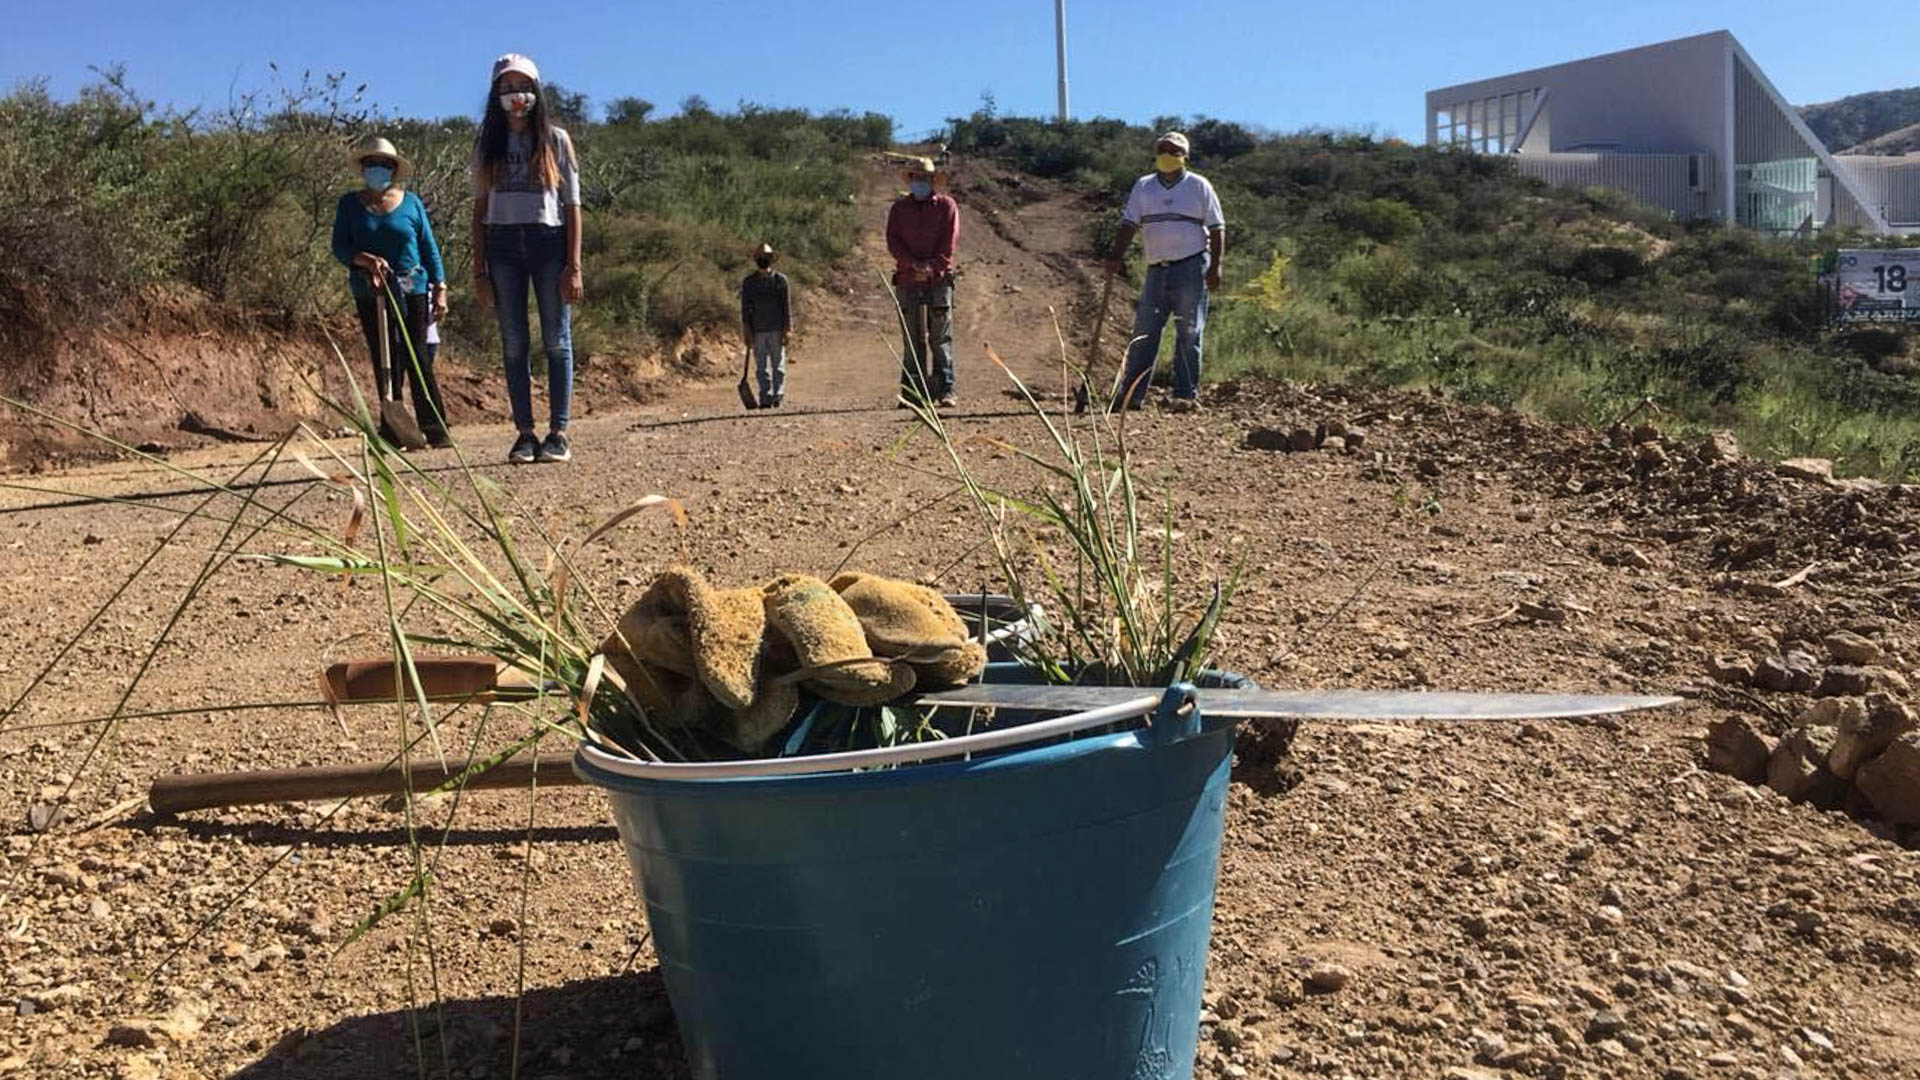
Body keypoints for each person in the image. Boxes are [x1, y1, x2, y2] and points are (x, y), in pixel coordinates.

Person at [470, 53, 584, 464]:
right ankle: (524, 433)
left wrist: (574, 266)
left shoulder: (556, 140)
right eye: (506, 87)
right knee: (515, 342)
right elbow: (479, 209)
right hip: (502, 245)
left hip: (548, 243)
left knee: (557, 340)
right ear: (495, 93)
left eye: (522, 86)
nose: (515, 95)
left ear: (535, 91)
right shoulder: (486, 144)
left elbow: (571, 206)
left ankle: (558, 432)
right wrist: (479, 269)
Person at [330, 135, 452, 447]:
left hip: (413, 288)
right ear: (362, 168)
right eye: (372, 164)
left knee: (418, 355)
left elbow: (429, 248)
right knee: (385, 358)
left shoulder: (411, 203)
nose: (378, 169)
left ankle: (435, 428)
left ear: (394, 169)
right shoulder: (349, 205)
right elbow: (340, 247)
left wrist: (439, 288)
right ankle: (393, 429)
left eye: (384, 164)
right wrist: (365, 261)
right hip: (370, 291)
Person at [1104, 131, 1226, 413]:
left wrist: (1216, 266)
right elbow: (1128, 223)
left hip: (1191, 267)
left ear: (1185, 157)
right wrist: (1114, 256)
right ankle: (1131, 395)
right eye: (1162, 150)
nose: (1166, 156)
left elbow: (1218, 228)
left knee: (1189, 330)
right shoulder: (1144, 186)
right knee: (1144, 331)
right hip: (1156, 269)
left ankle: (1184, 394)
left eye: (1172, 151)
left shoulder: (1198, 186)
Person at [885, 157, 960, 407]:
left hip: (938, 280)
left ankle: (945, 389)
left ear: (932, 181)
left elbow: (949, 243)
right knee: (911, 338)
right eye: (916, 178)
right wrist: (911, 264)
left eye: (924, 178)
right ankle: (912, 392)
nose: (920, 182)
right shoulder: (899, 209)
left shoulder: (947, 206)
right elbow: (893, 242)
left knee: (940, 337)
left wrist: (932, 267)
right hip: (907, 279)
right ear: (911, 181)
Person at [740, 242, 793, 408]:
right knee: (761, 368)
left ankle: (777, 395)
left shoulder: (781, 281)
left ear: (771, 259)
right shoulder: (749, 282)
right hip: (758, 330)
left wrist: (787, 328)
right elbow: (744, 308)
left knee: (778, 366)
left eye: (766, 257)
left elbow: (786, 306)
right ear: (756, 260)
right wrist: (747, 330)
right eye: (760, 258)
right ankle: (765, 397)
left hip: (776, 329)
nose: (763, 260)